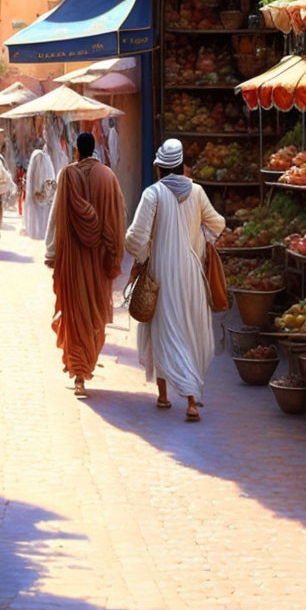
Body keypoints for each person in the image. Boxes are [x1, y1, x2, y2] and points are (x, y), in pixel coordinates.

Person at [124, 138, 225, 421]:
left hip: (161, 272)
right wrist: (199, 242)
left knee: (163, 331)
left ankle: (167, 395)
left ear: (160, 168)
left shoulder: (152, 194)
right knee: (187, 331)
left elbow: (135, 238)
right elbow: (217, 224)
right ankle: (190, 400)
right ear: (182, 166)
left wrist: (144, 256)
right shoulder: (198, 192)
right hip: (192, 275)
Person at [44, 132, 125, 398]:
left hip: (73, 260)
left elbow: (56, 216)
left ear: (77, 151)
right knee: (93, 317)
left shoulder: (67, 176)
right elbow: (117, 220)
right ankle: (83, 368)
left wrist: (51, 252)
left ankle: (79, 375)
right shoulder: (109, 178)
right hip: (99, 261)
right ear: (96, 149)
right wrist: (114, 256)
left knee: (75, 313)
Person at [23, 146, 56, 240]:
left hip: (39, 194)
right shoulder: (45, 162)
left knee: (38, 213)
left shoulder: (38, 161)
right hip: (42, 195)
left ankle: (38, 233)